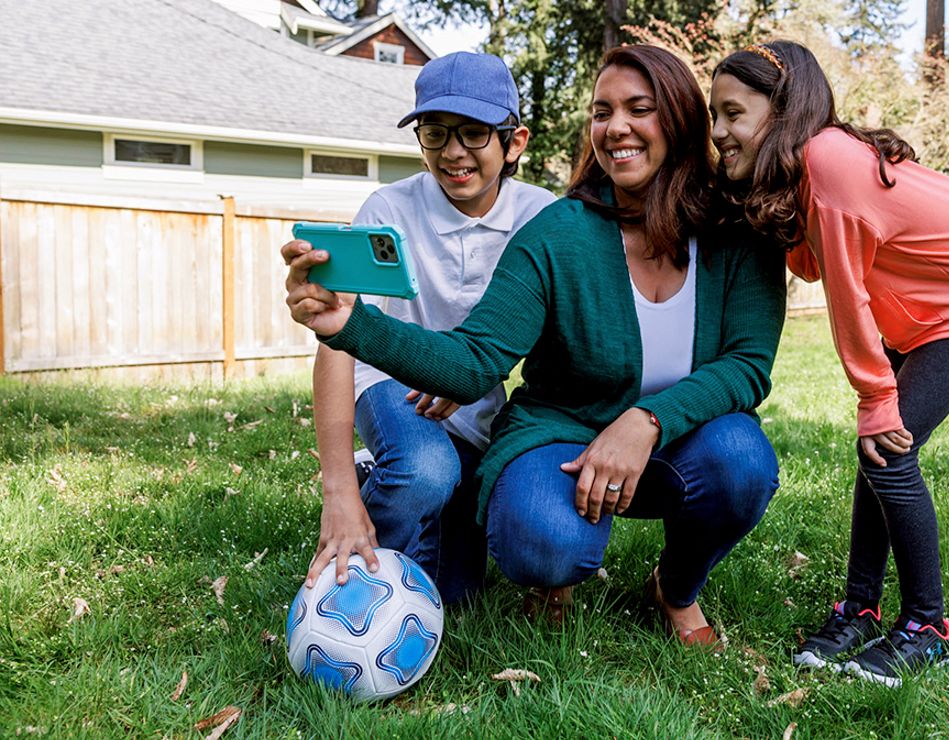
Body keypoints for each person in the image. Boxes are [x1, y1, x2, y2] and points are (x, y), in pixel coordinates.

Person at [284, 45, 787, 646]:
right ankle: (534, 569)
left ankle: (675, 590)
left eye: (639, 108)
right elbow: (475, 360)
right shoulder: (558, 231)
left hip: (678, 442)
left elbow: (748, 366)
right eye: (602, 112)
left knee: (742, 459)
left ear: (679, 120)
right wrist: (348, 325)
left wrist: (647, 419)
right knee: (535, 541)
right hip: (561, 436)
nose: (616, 126)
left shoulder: (738, 230)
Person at [709, 40, 949, 683]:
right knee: (876, 451)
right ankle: (859, 607)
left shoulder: (828, 159)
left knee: (888, 447)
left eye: (732, 114)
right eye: (714, 117)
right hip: (921, 303)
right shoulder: (803, 168)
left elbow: (847, 293)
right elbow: (813, 259)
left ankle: (927, 624)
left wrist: (875, 397)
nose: (719, 132)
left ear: (781, 111)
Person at [297, 52, 555, 605]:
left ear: (515, 141)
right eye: (435, 133)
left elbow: (553, 341)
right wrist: (336, 488)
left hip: (475, 405)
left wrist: (462, 373)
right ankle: (358, 580)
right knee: (425, 468)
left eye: (474, 133)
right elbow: (337, 342)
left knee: (457, 594)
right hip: (391, 388)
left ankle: (387, 484)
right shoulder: (388, 209)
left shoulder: (541, 215)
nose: (453, 152)